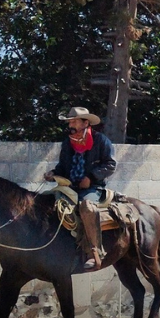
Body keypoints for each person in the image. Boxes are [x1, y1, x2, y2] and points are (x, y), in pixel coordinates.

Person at [44, 106, 116, 270]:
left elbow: (111, 165)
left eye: (74, 121)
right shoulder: (67, 143)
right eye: (70, 121)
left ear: (85, 123)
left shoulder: (101, 141)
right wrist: (53, 173)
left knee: (87, 208)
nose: (71, 124)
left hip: (93, 188)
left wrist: (91, 178)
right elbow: (63, 166)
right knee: (46, 201)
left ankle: (94, 252)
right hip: (69, 187)